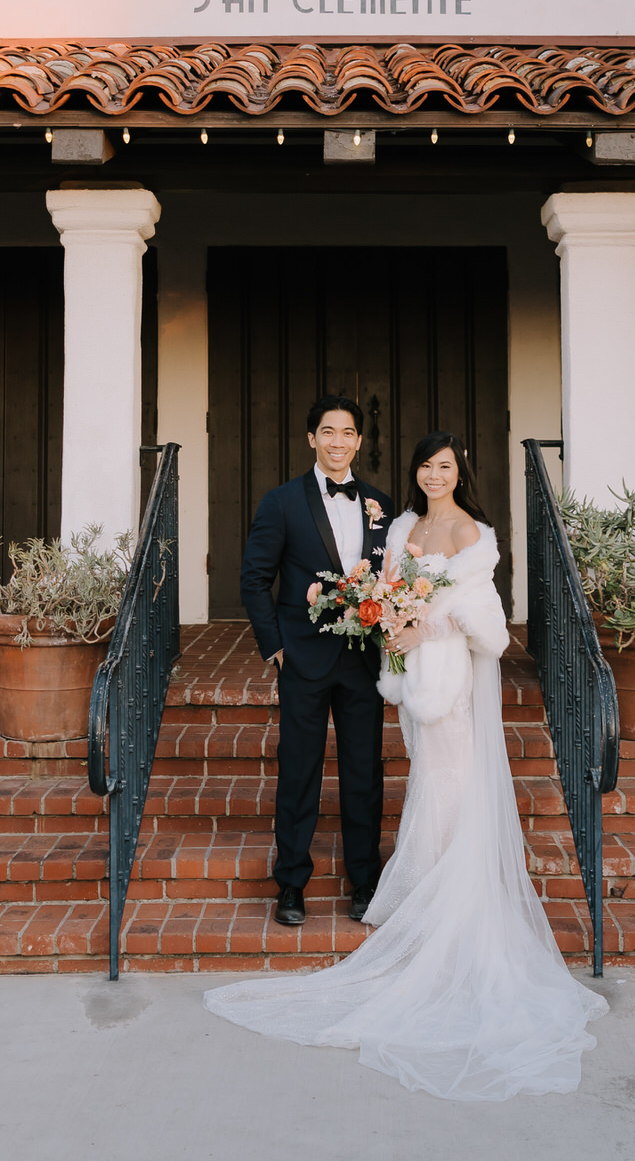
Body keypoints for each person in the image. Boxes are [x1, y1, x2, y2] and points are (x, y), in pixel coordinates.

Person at [207, 431, 607, 1101]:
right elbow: (318, 580)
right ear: (312, 438)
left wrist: (426, 626)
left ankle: (427, 900)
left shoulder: (470, 531)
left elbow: (487, 620)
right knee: (369, 776)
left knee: (423, 780)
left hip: (440, 676)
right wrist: (360, 627)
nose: (433, 474)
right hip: (381, 669)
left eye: (445, 465)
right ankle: (295, 885)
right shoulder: (393, 523)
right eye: (425, 464)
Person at [237, 395, 394, 928]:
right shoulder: (281, 502)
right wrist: (273, 644)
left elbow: (390, 578)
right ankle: (291, 884)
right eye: (328, 432)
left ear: (358, 441)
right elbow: (254, 578)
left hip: (362, 662)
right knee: (298, 772)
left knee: (362, 774)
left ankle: (365, 881)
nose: (337, 442)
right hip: (301, 657)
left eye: (348, 433)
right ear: (312, 439)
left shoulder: (380, 504)